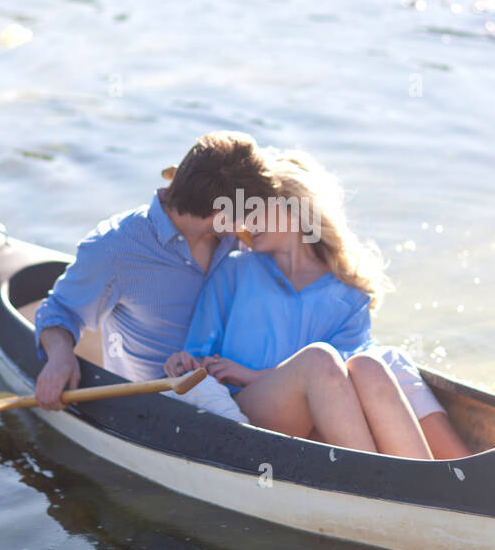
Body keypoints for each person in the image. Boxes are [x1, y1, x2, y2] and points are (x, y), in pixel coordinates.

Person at [164, 150, 469, 460]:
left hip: (324, 425)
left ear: (295, 208)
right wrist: (186, 363)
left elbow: (348, 380)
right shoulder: (234, 271)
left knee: (369, 365)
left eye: (257, 209)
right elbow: (198, 355)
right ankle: (376, 482)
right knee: (319, 359)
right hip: (249, 410)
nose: (246, 221)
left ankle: (420, 483)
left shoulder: (349, 294)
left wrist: (254, 373)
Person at [32, 130, 278, 409]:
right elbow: (59, 310)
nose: (251, 223)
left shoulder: (237, 239)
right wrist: (61, 355)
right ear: (219, 216)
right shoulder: (114, 248)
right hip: (163, 408)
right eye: (247, 214)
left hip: (244, 391)